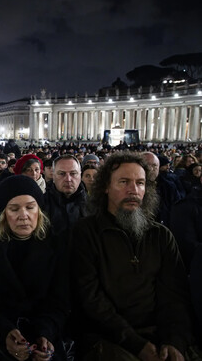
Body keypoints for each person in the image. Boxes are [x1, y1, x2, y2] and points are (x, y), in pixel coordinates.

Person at [71, 151, 193, 360]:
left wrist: (174, 341)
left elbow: (174, 296)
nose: (133, 190)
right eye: (124, 182)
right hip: (106, 337)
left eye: (140, 183)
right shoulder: (85, 232)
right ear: (106, 187)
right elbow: (91, 299)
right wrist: (137, 345)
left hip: (157, 336)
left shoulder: (161, 236)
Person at [0, 175, 69, 361]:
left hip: (43, 334)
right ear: (3, 213)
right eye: (14, 209)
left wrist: (45, 333)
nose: (24, 215)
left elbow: (60, 300)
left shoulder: (56, 244)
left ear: (39, 210)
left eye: (30, 207)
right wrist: (4, 332)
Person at [44, 155, 87, 239]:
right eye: (62, 174)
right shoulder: (40, 204)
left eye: (73, 173)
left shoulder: (94, 205)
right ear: (53, 176)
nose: (68, 179)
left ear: (80, 175)